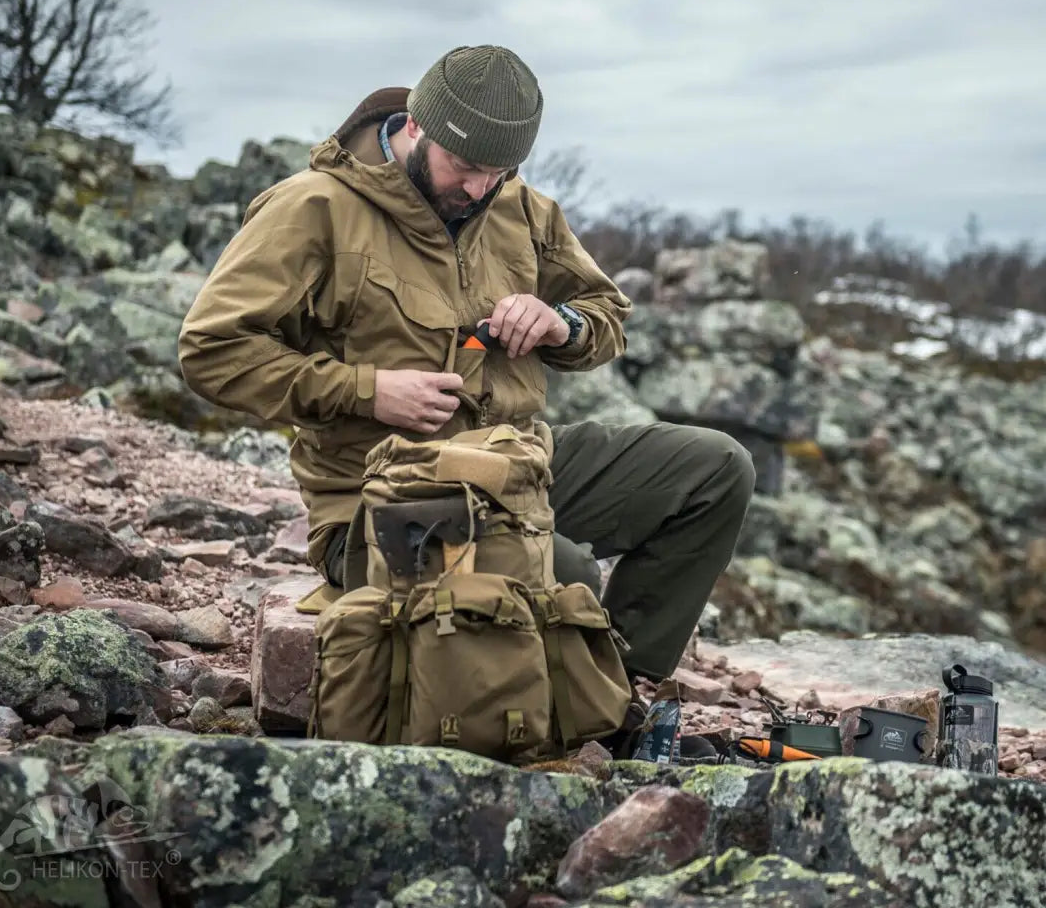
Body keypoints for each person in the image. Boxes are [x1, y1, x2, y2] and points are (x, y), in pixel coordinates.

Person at [177, 45, 756, 757]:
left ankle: (612, 692)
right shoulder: (312, 209)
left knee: (714, 468)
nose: (480, 190)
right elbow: (210, 349)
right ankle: (570, 702)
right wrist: (367, 391)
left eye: (498, 173)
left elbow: (605, 312)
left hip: (520, 472)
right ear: (417, 127)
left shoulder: (525, 210)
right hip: (382, 503)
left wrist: (559, 323)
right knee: (557, 570)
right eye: (465, 168)